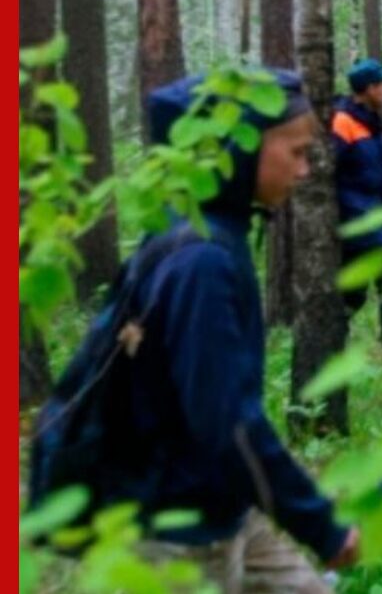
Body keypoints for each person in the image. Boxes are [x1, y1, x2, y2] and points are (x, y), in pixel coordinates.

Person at [31, 71, 359, 592]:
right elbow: (225, 420)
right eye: (295, 152)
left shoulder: (209, 232)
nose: (303, 170)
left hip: (222, 500)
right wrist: (317, 522)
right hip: (176, 524)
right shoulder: (202, 260)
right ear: (242, 149)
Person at [332, 59, 382, 336]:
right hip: (356, 215)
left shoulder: (371, 122)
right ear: (370, 88)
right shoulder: (342, 122)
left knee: (354, 292)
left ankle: (334, 333)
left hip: (376, 211)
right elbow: (327, 172)